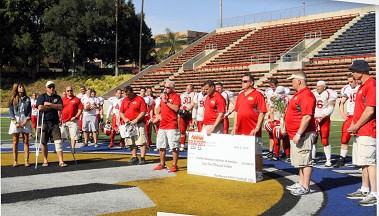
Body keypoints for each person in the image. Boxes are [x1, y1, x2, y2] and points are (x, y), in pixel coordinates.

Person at [346, 60, 376, 206]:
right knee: (364, 162)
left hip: (368, 130)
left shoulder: (371, 85)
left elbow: (370, 110)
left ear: (362, 71)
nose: (352, 73)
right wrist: (353, 125)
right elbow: (359, 109)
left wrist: (356, 125)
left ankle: (374, 193)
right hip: (361, 130)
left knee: (370, 162)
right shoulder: (362, 87)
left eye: (354, 70)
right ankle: (365, 189)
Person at [284, 71, 316, 195]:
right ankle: (301, 182)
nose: (291, 82)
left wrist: (298, 133)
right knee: (301, 160)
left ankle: (305, 186)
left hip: (303, 134)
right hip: (297, 133)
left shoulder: (306, 95)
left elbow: (307, 116)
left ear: (299, 81)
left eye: (292, 80)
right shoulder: (299, 94)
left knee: (305, 160)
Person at [231, 73, 267, 182]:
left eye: (245, 81)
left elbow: (262, 112)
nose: (242, 83)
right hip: (240, 129)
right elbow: (236, 111)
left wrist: (257, 127)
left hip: (252, 129)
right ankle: (245, 171)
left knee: (257, 153)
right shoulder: (241, 95)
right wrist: (234, 126)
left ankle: (259, 172)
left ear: (251, 83)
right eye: (242, 81)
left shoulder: (258, 95)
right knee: (241, 152)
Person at [36, 81, 67, 167]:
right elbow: (40, 107)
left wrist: (49, 104)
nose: (52, 88)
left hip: (54, 122)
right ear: (46, 88)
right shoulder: (42, 97)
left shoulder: (57, 97)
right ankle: (45, 160)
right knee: (44, 142)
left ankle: (61, 161)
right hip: (44, 122)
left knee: (58, 141)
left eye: (53, 87)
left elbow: (60, 107)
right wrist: (54, 106)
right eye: (50, 87)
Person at [153, 81, 181, 172]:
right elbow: (158, 108)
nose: (165, 89)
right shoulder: (162, 97)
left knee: (174, 146)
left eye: (168, 87)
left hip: (172, 125)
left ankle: (174, 165)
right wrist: (157, 114)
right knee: (161, 145)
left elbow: (176, 108)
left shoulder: (176, 97)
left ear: (173, 88)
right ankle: (162, 163)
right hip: (163, 125)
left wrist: (166, 101)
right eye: (165, 87)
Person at [334, 75, 359, 168]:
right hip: (350, 115)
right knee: (344, 138)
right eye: (348, 81)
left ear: (356, 80)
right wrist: (343, 114)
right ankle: (342, 159)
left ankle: (359, 160)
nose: (350, 83)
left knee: (359, 138)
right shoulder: (346, 89)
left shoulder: (361, 87)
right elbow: (341, 102)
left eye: (351, 81)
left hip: (359, 116)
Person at [311, 80, 337, 167]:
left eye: (319, 86)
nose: (317, 87)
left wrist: (322, 116)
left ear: (324, 87)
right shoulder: (313, 93)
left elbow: (331, 107)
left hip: (324, 119)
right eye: (317, 86)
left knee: (325, 139)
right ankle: (313, 158)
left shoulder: (329, 93)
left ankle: (328, 160)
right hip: (314, 118)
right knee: (313, 139)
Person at [120, 86, 148, 165]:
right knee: (130, 141)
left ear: (132, 92)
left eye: (128, 94)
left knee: (141, 140)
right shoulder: (125, 100)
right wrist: (124, 119)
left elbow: (143, 111)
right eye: (126, 94)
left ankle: (142, 158)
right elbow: (121, 112)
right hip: (128, 123)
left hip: (138, 123)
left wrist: (136, 119)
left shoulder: (139, 99)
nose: (127, 96)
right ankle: (134, 157)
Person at [8, 83, 32, 167]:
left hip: (25, 119)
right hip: (16, 119)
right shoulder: (13, 98)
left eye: (22, 87)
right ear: (16, 89)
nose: (22, 88)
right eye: (20, 87)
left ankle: (26, 160)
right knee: (15, 141)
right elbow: (11, 111)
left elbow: (29, 111)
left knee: (26, 141)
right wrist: (15, 122)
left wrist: (26, 121)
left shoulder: (28, 99)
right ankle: (15, 161)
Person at [266, 86, 291, 162]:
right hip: (281, 120)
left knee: (278, 138)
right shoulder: (286, 98)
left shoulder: (279, 98)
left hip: (281, 120)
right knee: (283, 138)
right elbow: (272, 110)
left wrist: (273, 120)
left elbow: (272, 110)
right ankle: (285, 155)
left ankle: (279, 155)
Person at [61, 86, 83, 151]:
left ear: (72, 91)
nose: (69, 92)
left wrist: (76, 117)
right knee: (62, 135)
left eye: (71, 90)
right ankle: (59, 148)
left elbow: (80, 109)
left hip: (73, 120)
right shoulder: (63, 99)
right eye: (68, 91)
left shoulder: (77, 99)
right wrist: (60, 118)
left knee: (73, 135)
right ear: (66, 91)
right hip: (64, 120)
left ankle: (72, 149)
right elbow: (60, 109)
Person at [179, 84, 195, 151]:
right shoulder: (182, 95)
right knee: (182, 130)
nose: (187, 89)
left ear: (192, 89)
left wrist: (187, 110)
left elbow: (193, 103)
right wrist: (182, 109)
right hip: (183, 115)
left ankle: (193, 145)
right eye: (187, 88)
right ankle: (182, 145)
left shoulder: (194, 94)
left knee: (192, 130)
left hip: (190, 115)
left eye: (189, 88)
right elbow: (180, 104)